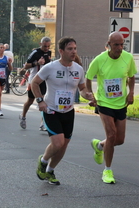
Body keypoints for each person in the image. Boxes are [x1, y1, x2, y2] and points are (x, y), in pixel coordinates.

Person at [34, 37, 94, 185]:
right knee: (58, 142)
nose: (73, 51)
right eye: (70, 49)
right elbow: (34, 82)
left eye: (75, 48)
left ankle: (50, 171)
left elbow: (81, 88)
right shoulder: (50, 67)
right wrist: (40, 101)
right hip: (51, 109)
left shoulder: (78, 69)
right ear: (61, 51)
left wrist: (87, 95)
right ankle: (43, 160)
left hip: (68, 111)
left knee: (64, 144)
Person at [86, 32, 137, 184]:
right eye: (116, 45)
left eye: (122, 44)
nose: (120, 48)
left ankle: (99, 145)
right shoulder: (100, 59)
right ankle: (107, 170)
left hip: (121, 103)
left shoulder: (128, 58)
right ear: (108, 44)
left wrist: (131, 93)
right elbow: (88, 77)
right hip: (104, 102)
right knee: (111, 135)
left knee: (119, 140)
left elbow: (132, 76)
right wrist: (91, 95)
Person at [19, 37, 52, 130]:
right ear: (40, 44)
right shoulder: (35, 53)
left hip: (44, 80)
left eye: (48, 46)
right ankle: (23, 116)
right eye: (45, 46)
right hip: (34, 80)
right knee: (30, 100)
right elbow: (26, 65)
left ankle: (43, 123)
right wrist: (37, 63)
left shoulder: (49, 52)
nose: (47, 48)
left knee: (45, 100)